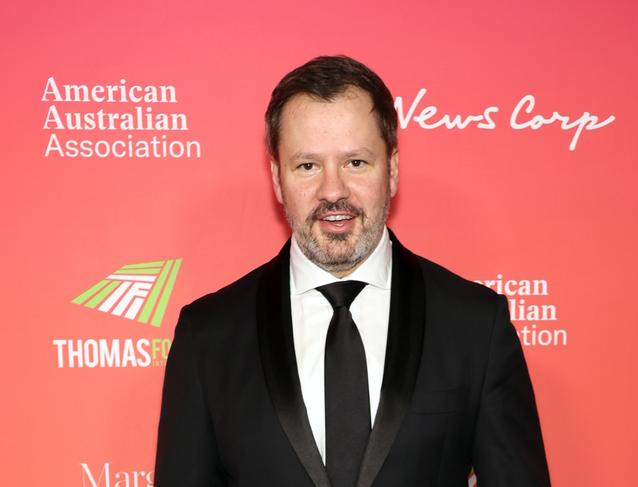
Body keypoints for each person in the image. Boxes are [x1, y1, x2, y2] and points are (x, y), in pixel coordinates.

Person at [154, 55, 551, 487]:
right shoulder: (208, 336)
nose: (333, 191)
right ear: (276, 178)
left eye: (355, 163)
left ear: (393, 170)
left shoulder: (476, 326)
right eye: (308, 166)